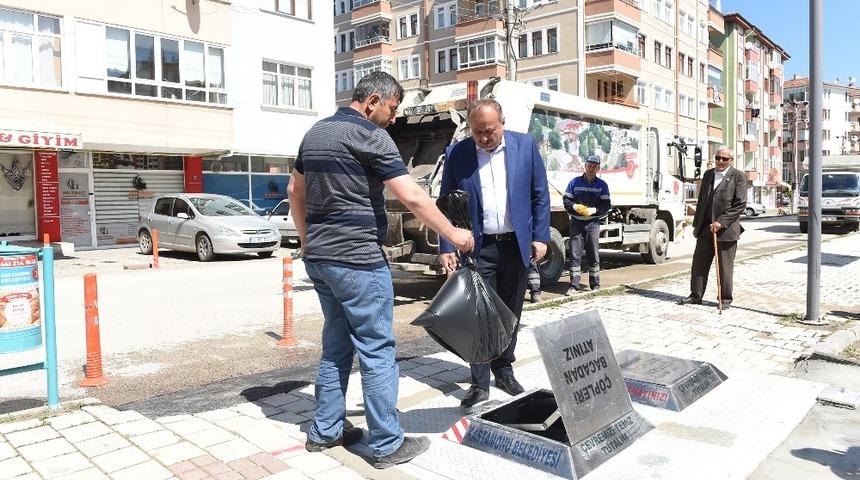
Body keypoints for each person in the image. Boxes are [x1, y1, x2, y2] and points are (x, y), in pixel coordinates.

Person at [289, 71, 475, 469]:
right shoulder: (371, 136)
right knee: (376, 350)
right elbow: (412, 195)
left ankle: (325, 431)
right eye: (392, 108)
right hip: (357, 260)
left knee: (336, 346)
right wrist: (454, 234)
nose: (394, 118)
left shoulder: (315, 133)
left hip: (321, 261)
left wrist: (307, 241)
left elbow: (294, 192)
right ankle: (387, 444)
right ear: (373, 100)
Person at [438, 98, 551, 411]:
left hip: (516, 245)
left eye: (489, 130)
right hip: (478, 247)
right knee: (478, 316)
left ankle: (504, 368)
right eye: (477, 132)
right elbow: (446, 202)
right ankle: (478, 381)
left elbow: (540, 196)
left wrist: (541, 237)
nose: (484, 138)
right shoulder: (458, 153)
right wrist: (446, 244)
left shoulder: (525, 147)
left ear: (502, 122)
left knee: (510, 310)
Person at [678, 145, 747, 309]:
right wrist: (696, 224)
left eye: (725, 159)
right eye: (718, 158)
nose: (721, 161)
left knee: (724, 267)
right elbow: (702, 201)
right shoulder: (708, 174)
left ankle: (725, 299)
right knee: (699, 264)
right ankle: (695, 295)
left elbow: (740, 205)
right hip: (705, 229)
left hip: (726, 231)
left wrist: (721, 221)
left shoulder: (738, 176)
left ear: (731, 160)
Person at [563, 155, 611, 295]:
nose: (591, 168)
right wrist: (574, 206)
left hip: (592, 224)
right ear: (585, 166)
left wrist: (595, 210)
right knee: (575, 255)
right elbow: (566, 201)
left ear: (598, 168)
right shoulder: (574, 182)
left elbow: (606, 205)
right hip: (576, 223)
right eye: (589, 165)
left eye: (594, 166)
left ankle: (595, 285)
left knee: (593, 254)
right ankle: (574, 286)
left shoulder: (602, 185)